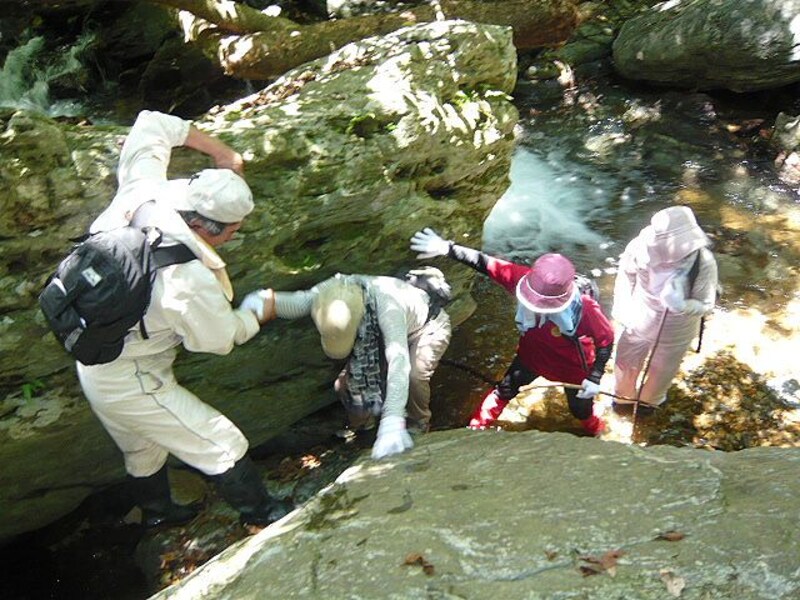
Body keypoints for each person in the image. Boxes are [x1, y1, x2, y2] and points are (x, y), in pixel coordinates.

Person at [76, 110, 292, 528]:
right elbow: (219, 340)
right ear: (210, 229)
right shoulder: (187, 277)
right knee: (222, 442)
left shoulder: (143, 192)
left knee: (142, 449)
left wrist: (223, 153)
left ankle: (158, 516)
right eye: (234, 230)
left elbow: (150, 124)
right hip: (131, 377)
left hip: (93, 360)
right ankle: (265, 515)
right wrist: (254, 311)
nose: (235, 235)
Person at [410, 228, 614, 435]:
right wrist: (445, 247)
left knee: (580, 410)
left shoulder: (586, 309)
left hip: (572, 369)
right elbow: (484, 263)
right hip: (531, 357)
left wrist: (595, 377)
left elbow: (606, 341)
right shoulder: (520, 278)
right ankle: (475, 431)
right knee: (504, 390)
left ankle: (597, 430)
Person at [243, 269, 452, 459]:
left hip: (428, 328)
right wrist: (262, 301)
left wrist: (392, 420)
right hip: (380, 331)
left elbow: (399, 362)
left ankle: (419, 421)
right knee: (343, 385)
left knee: (414, 376)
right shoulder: (330, 290)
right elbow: (298, 302)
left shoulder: (389, 308)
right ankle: (362, 422)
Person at [611, 205, 718, 413]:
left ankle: (647, 406)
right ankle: (622, 401)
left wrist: (682, 305)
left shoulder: (703, 262)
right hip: (638, 318)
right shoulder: (640, 247)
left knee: (662, 373)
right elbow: (626, 274)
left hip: (678, 329)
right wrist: (621, 306)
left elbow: (707, 304)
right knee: (625, 364)